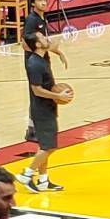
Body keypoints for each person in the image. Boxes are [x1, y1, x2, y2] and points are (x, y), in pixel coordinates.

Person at [21, 26, 70, 193]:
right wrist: (59, 96)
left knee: (44, 145)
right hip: (41, 109)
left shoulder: (42, 58)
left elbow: (54, 43)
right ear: (37, 44)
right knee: (49, 147)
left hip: (47, 106)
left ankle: (43, 181)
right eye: (42, 37)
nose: (46, 38)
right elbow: (37, 90)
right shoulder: (34, 63)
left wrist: (59, 52)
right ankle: (26, 174)